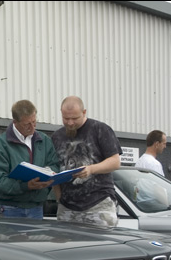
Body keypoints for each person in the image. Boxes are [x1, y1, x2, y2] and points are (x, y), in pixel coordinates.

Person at [51, 96, 122, 228]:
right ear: (61, 113)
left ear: (84, 112)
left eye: (75, 118)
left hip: (98, 204)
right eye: (66, 118)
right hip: (67, 207)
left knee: (101, 241)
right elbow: (54, 168)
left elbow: (115, 162)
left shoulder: (100, 129)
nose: (70, 123)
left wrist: (91, 169)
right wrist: (58, 198)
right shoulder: (56, 137)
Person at [0, 100, 59, 219]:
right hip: (11, 208)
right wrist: (26, 186)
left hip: (37, 207)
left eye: (34, 122)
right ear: (15, 122)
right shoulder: (1, 144)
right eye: (27, 124)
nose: (32, 127)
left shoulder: (44, 140)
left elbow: (55, 164)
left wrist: (49, 173)